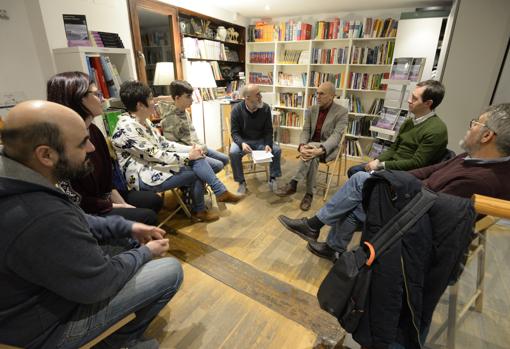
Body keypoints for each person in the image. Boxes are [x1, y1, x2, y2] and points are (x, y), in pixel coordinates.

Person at [0, 100, 182, 349]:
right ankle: (119, 343)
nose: (92, 147)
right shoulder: (39, 214)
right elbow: (99, 284)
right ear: (46, 155)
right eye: (81, 142)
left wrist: (128, 227)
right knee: (169, 271)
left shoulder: (17, 178)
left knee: (123, 241)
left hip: (31, 301)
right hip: (42, 331)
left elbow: (77, 218)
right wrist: (145, 253)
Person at [278, 103, 510, 261]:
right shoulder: (473, 159)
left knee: (359, 183)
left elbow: (434, 209)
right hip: (414, 198)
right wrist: (390, 173)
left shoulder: (481, 180)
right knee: (357, 193)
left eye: (475, 124)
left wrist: (391, 181)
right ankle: (331, 245)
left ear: (488, 135)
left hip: (416, 221)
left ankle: (317, 228)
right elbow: (431, 170)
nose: (470, 127)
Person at [112, 81, 242, 223]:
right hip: (143, 175)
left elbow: (164, 144)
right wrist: (188, 157)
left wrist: (191, 150)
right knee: (197, 169)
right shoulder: (127, 129)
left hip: (155, 165)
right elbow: (156, 155)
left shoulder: (143, 122)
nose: (154, 102)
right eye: (150, 99)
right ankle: (206, 203)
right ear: (140, 105)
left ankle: (209, 201)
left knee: (198, 161)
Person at [46, 71, 163, 226]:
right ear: (78, 98)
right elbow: (75, 199)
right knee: (147, 216)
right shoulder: (61, 141)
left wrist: (122, 204)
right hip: (85, 209)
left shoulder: (94, 130)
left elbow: (107, 181)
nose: (103, 99)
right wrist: (115, 206)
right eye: (97, 94)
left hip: (103, 197)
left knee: (153, 200)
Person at [348, 79, 448, 177]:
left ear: (428, 103)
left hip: (406, 174)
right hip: (392, 165)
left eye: (414, 98)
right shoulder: (409, 122)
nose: (409, 100)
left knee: (359, 176)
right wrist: (378, 160)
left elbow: (417, 163)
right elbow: (393, 148)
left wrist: (381, 165)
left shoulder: (436, 130)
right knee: (353, 170)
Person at [275, 81, 348, 211]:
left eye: (321, 94)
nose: (317, 97)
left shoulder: (341, 112)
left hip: (328, 148)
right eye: (317, 93)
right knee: (312, 156)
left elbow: (336, 137)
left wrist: (320, 150)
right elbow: (305, 130)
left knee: (312, 151)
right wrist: (302, 146)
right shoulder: (311, 109)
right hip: (310, 148)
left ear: (331, 96)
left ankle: (294, 183)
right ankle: (309, 194)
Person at [158, 80, 229, 173]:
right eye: (188, 96)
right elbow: (177, 146)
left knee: (225, 159)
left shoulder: (184, 112)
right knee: (218, 165)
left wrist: (201, 147)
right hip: (187, 153)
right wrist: (198, 150)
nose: (192, 99)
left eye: (191, 96)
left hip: (197, 148)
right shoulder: (170, 118)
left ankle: (200, 176)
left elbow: (192, 135)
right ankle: (195, 180)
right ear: (177, 98)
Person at [229, 84, 282, 194]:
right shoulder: (236, 110)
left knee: (276, 150)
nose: (260, 96)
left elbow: (268, 130)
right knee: (233, 152)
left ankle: (273, 178)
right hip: (243, 141)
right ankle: (241, 182)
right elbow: (234, 133)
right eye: (257, 94)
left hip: (260, 140)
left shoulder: (265, 108)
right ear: (247, 97)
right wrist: (242, 143)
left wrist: (268, 144)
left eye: (260, 93)